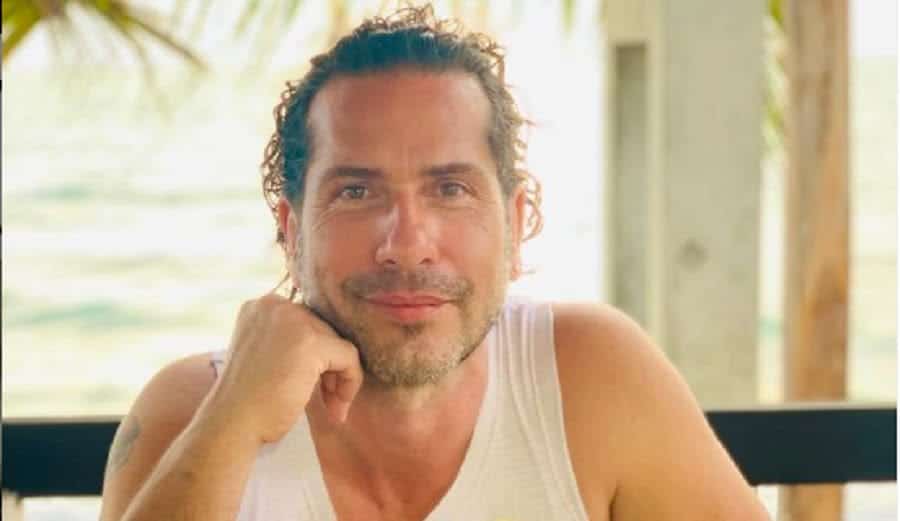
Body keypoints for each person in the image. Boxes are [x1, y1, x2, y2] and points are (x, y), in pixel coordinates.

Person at [99, 5, 770, 521]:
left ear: (516, 224)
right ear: (290, 230)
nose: (407, 243)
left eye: (450, 189)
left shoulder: (591, 380)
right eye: (356, 192)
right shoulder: (193, 414)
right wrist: (234, 416)